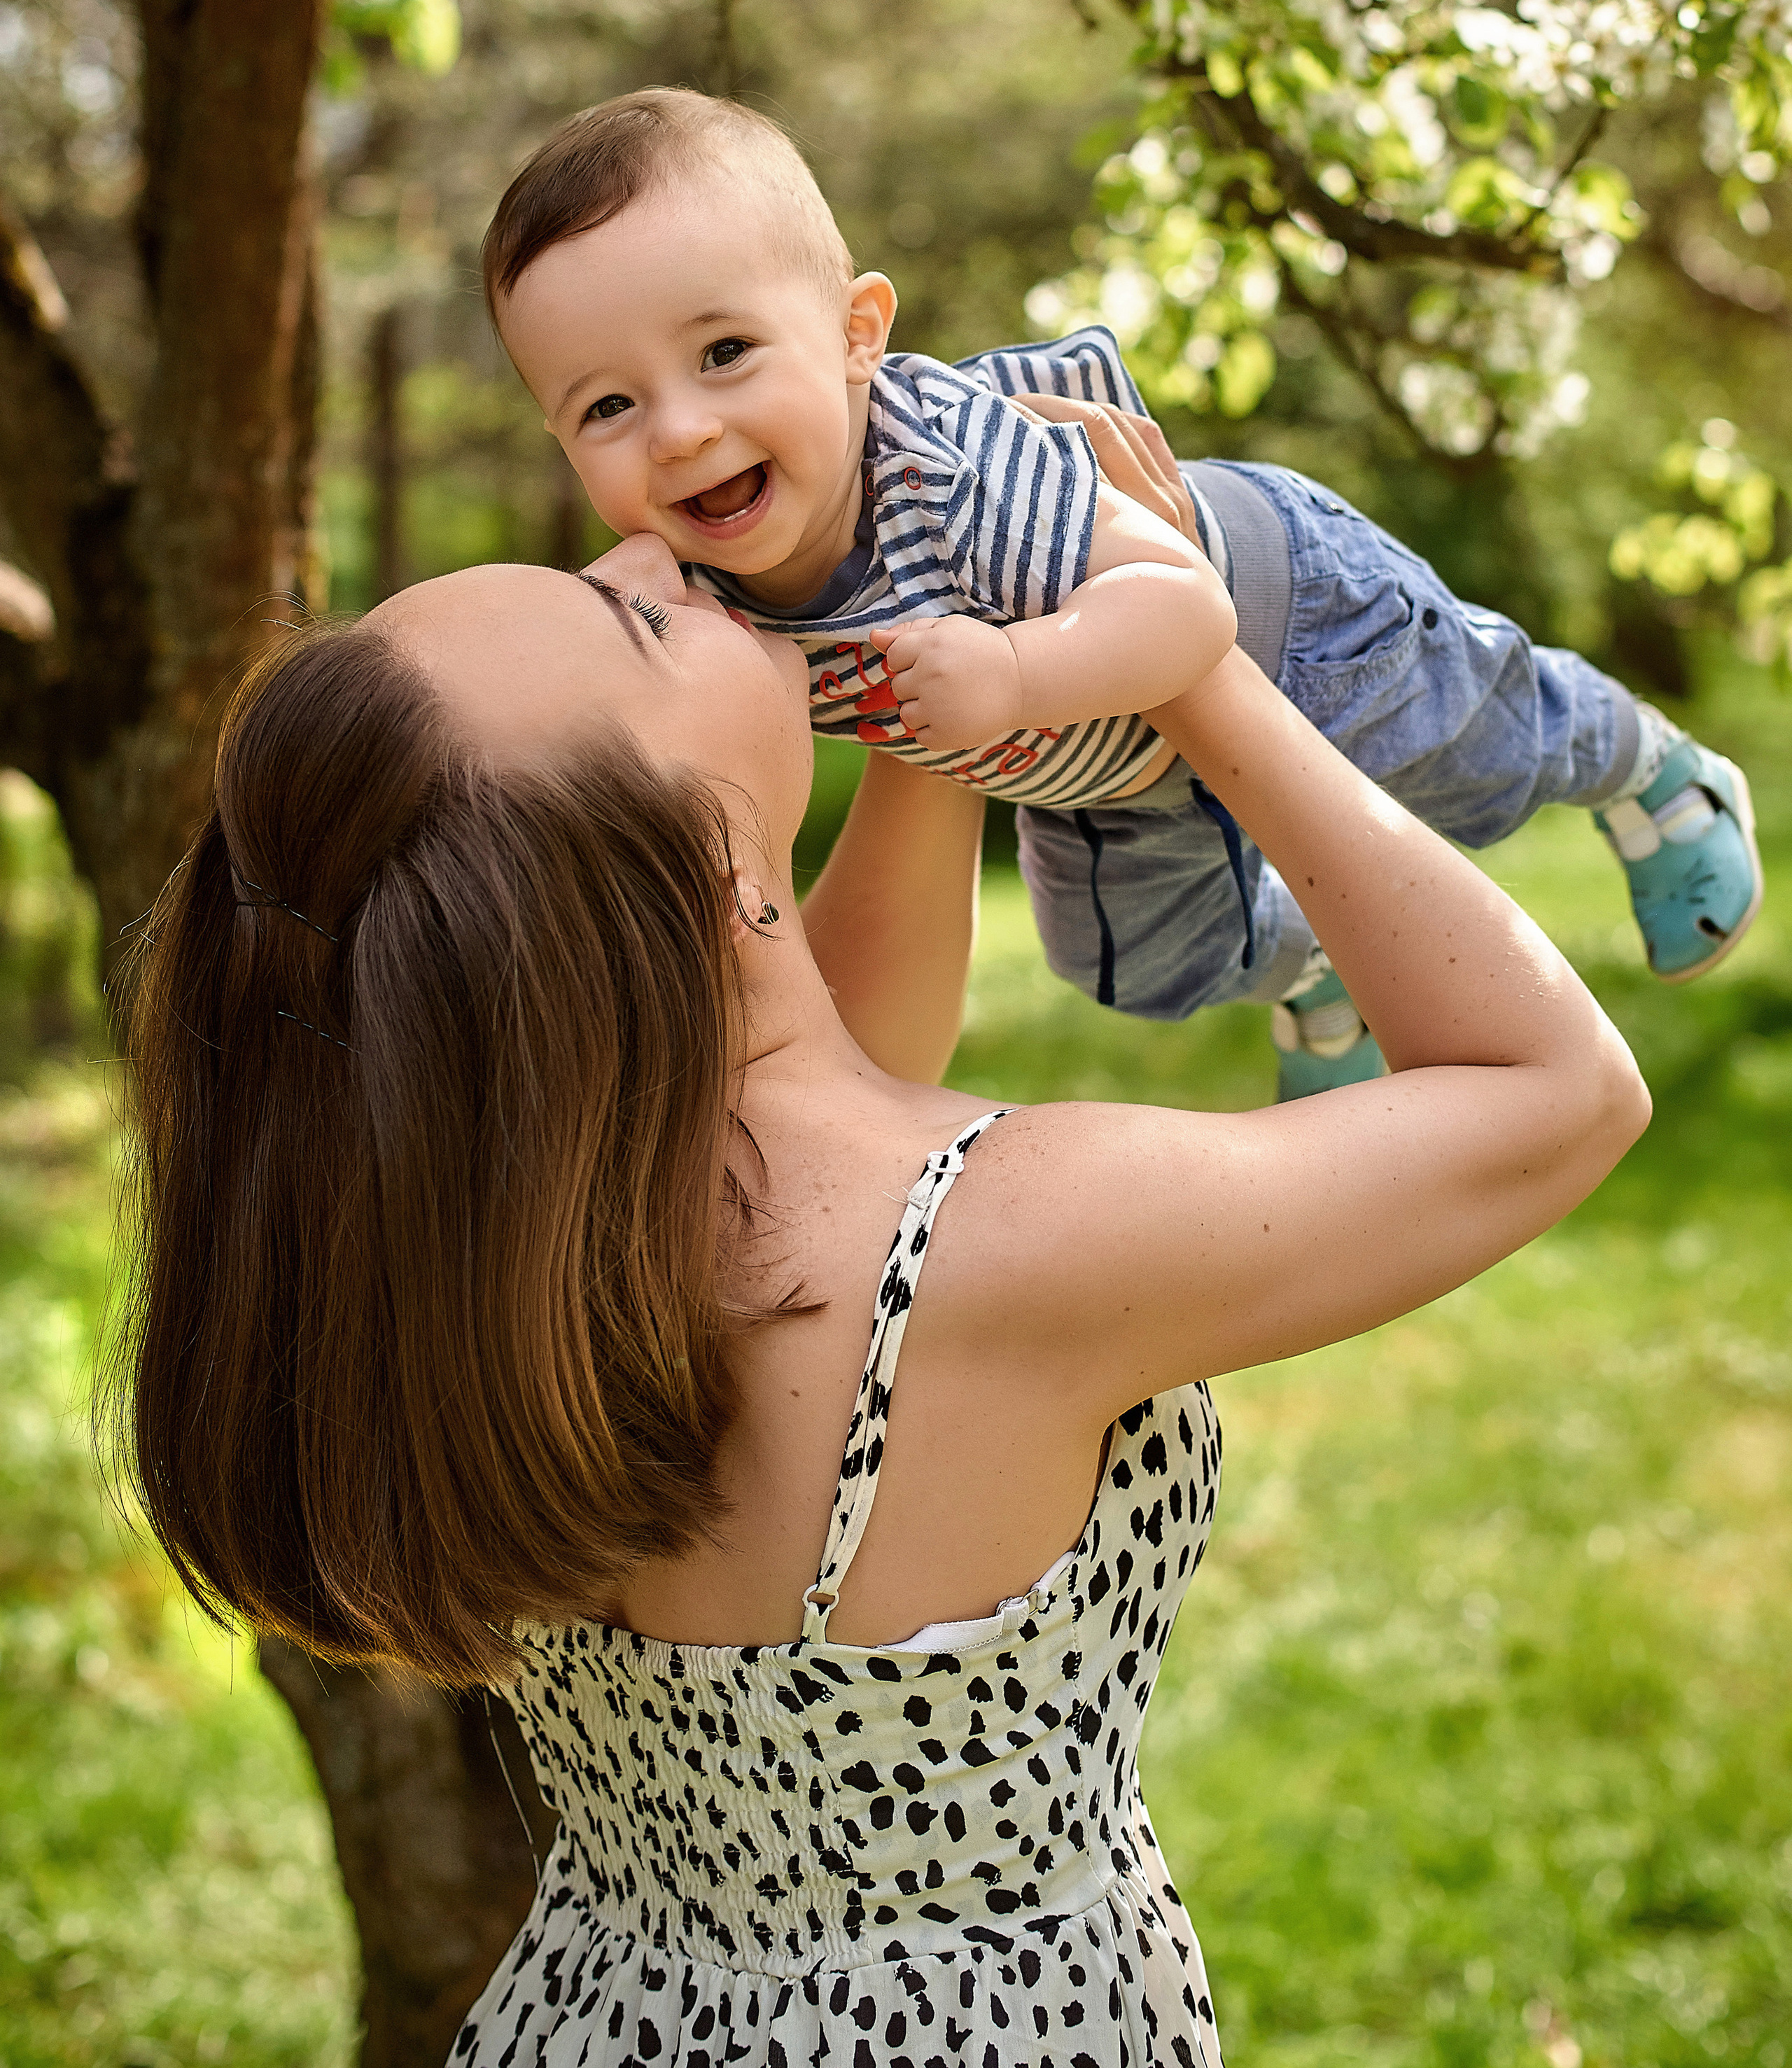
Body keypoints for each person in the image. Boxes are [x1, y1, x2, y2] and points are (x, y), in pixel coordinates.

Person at [115, 491, 1651, 2067]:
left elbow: (843, 1041)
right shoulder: (1005, 1241)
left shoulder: (511, 1242)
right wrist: (1192, 659)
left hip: (603, 2015)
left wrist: (923, 646)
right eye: (635, 617)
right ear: (713, 867)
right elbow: (1555, 1091)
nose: (649, 548)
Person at [482, 88, 1765, 1101]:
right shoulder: (698, 565)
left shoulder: (946, 463)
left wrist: (1013, 674)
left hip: (1274, 613)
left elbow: (1184, 609)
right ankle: (1317, 971)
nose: (682, 432)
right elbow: (597, 630)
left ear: (859, 332)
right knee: (1132, 967)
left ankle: (1648, 766)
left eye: (724, 352)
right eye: (608, 406)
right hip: (1095, 767)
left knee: (1472, 754)